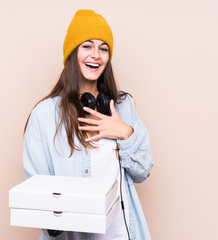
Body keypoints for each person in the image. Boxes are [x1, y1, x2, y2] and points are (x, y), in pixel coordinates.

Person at [22, 9, 154, 240]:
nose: (96, 55)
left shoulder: (123, 106)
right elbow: (39, 194)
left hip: (123, 233)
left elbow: (143, 170)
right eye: (87, 46)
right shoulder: (43, 116)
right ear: (73, 53)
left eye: (104, 48)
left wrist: (125, 132)